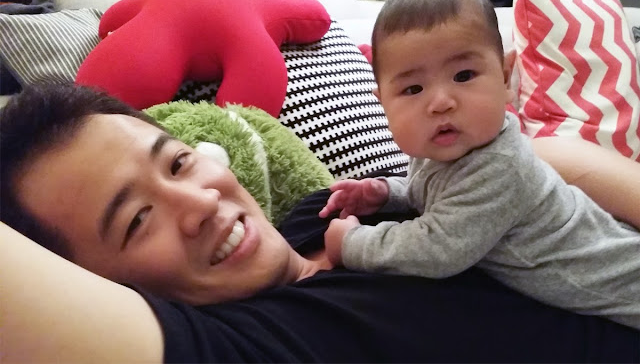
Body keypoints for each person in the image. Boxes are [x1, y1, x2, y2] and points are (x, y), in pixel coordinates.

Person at [1, 84, 640, 363]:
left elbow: (519, 165)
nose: (199, 202)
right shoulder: (250, 346)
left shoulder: (323, 210)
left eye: (179, 162)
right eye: (138, 220)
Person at [319, 0, 640, 330]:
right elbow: (439, 191)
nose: (440, 102)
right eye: (413, 89)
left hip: (623, 290)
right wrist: (386, 193)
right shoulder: (444, 148)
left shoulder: (502, 166)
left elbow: (436, 249)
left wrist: (353, 244)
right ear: (383, 105)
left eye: (463, 76)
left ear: (505, 78)